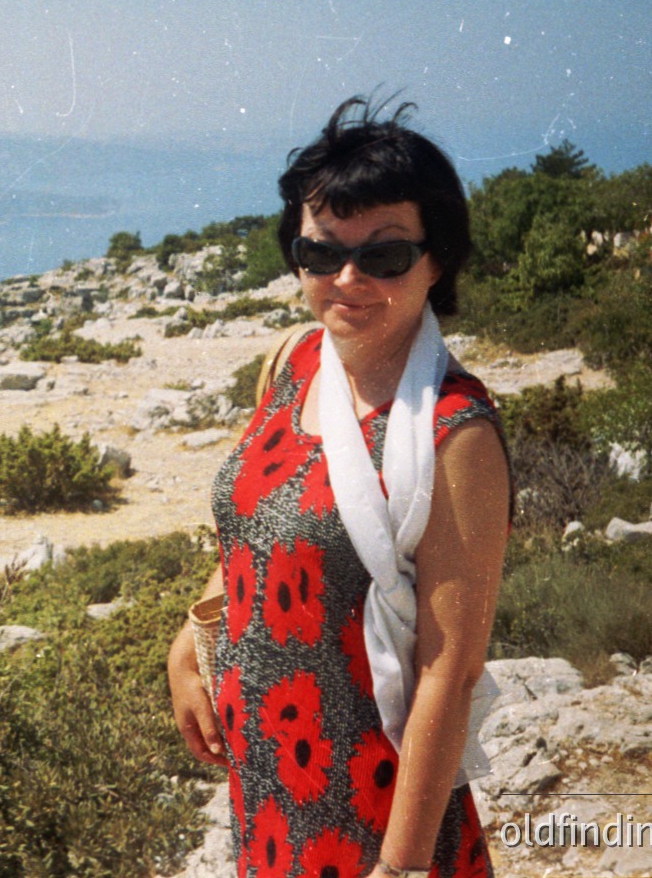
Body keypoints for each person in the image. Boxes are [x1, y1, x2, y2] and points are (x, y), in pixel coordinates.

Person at [167, 97, 511, 878]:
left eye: (384, 256)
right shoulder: (293, 360)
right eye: (321, 253)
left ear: (437, 258)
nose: (346, 279)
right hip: (267, 778)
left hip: (372, 797)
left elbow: (447, 671)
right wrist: (188, 642)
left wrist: (398, 868)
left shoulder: (455, 434)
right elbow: (257, 526)